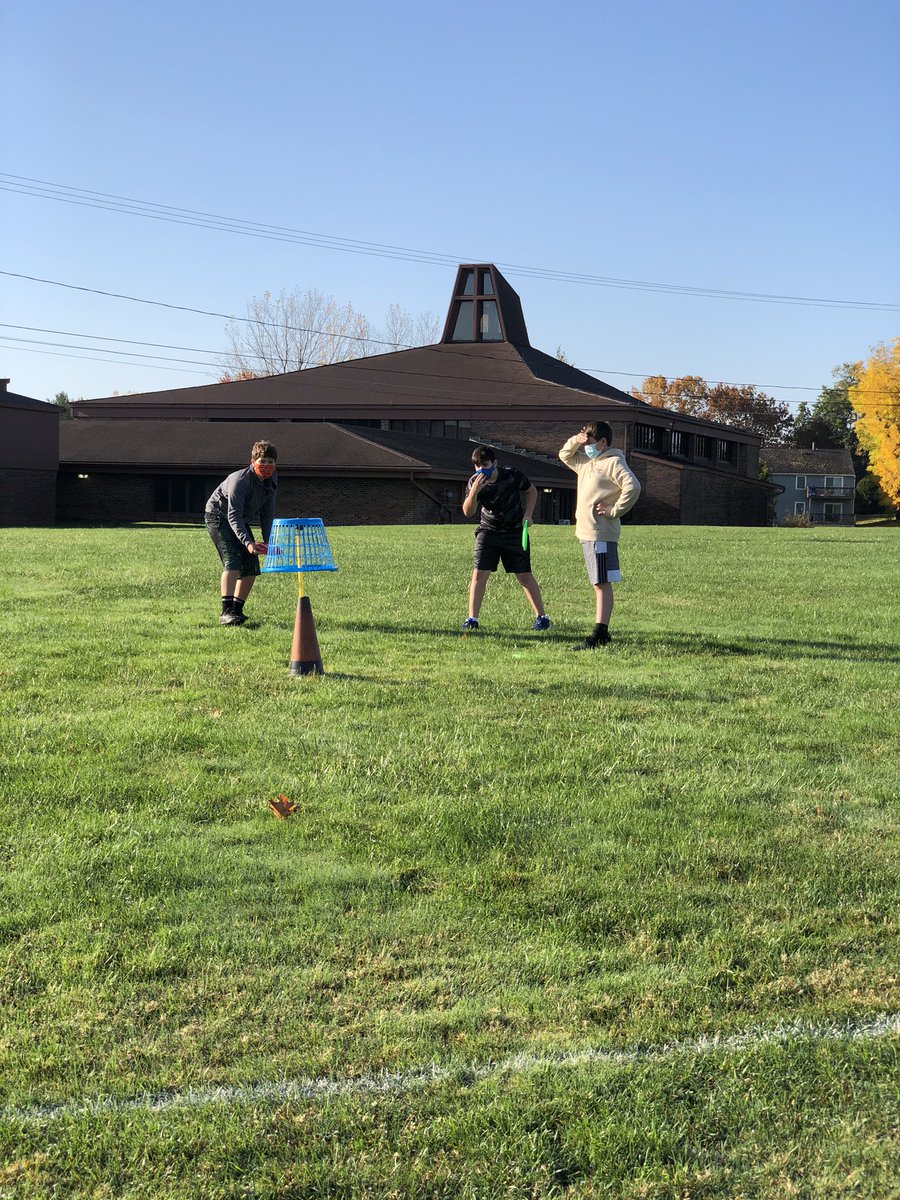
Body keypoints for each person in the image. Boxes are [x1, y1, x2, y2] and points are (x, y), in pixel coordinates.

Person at [559, 421, 641, 649]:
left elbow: (633, 487)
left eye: (590, 442)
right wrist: (576, 440)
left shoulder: (614, 462)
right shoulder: (587, 462)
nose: (587, 446)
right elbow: (565, 455)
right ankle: (601, 632)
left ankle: (600, 633)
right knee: (598, 581)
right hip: (587, 533)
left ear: (603, 442)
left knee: (601, 582)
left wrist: (613, 511)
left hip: (600, 533)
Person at [460, 445, 551, 632]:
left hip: (514, 531)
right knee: (479, 573)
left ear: (495, 463)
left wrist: (528, 515)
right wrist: (475, 491)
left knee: (524, 575)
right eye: (477, 466)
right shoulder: (474, 481)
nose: (481, 470)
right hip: (488, 531)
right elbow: (468, 512)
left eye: (485, 465)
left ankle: (542, 618)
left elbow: (532, 491)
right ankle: (472, 619)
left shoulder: (511, 475)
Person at [205, 440, 278, 625]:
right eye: (262, 461)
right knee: (233, 560)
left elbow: (267, 514)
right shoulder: (240, 480)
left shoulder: (272, 481)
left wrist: (269, 541)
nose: (267, 466)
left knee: (252, 566)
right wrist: (247, 542)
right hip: (219, 516)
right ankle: (226, 612)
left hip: (240, 520)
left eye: (271, 462)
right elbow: (233, 514)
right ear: (253, 462)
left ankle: (237, 611)